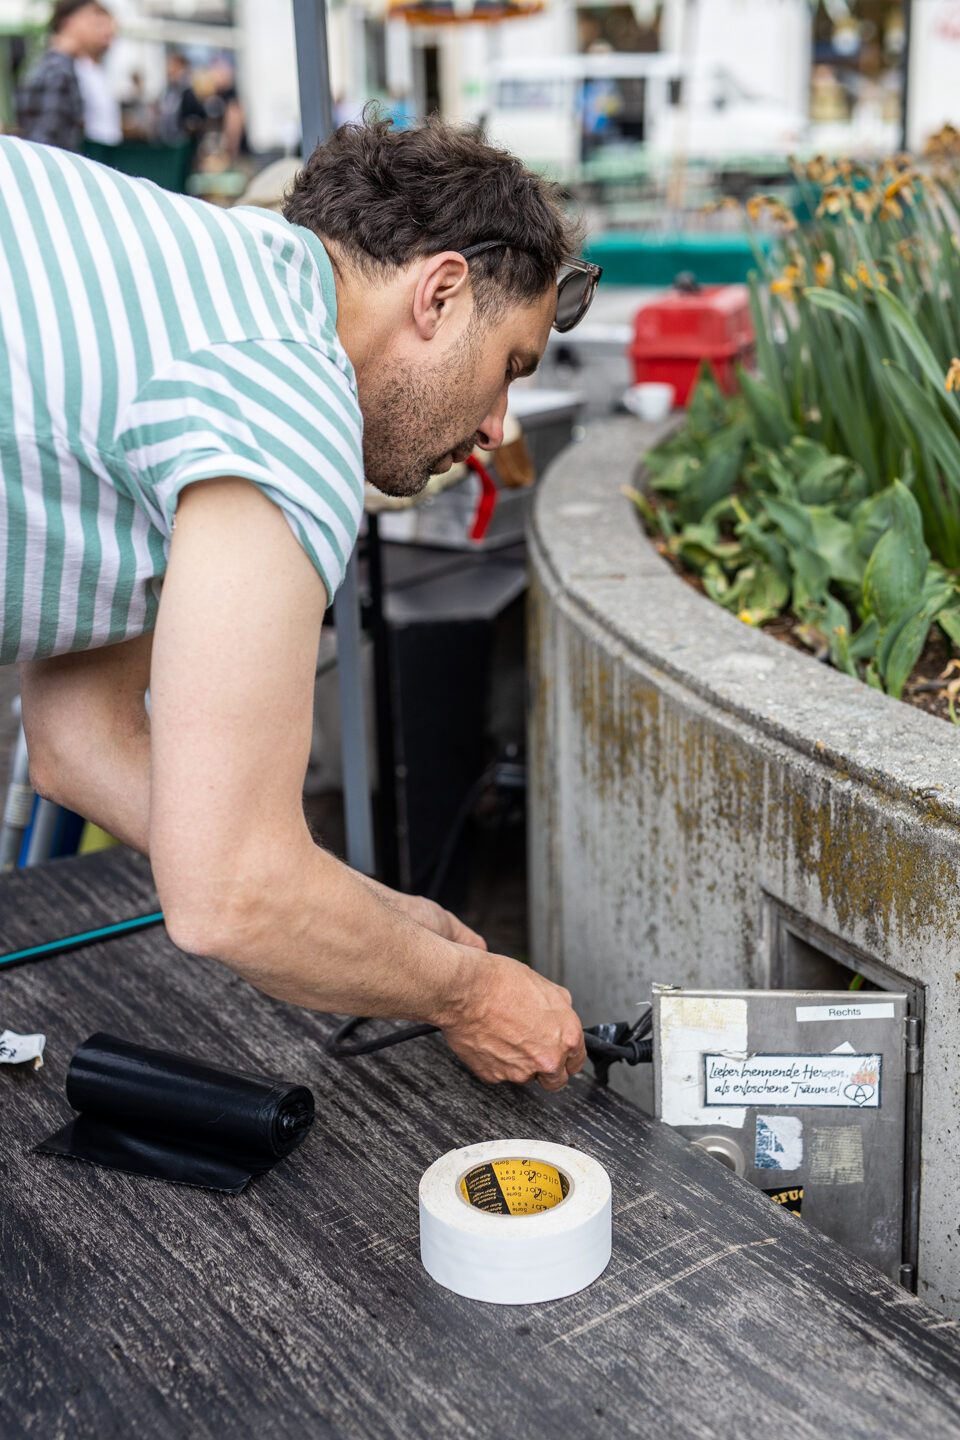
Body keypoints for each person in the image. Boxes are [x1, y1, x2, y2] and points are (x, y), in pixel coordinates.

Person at [0, 115, 600, 1091]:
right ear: (441, 292)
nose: (498, 426)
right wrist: (475, 995)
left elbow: (79, 739)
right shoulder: (290, 394)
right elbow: (232, 894)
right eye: (509, 369)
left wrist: (367, 912)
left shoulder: (206, 292)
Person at [16, 0, 114, 152]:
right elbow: (45, 139)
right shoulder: (58, 70)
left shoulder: (63, 66)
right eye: (92, 21)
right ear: (69, 22)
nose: (100, 29)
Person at [155, 52, 207, 146]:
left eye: (173, 66)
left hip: (181, 141)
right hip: (167, 140)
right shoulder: (169, 91)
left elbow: (198, 116)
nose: (169, 70)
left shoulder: (188, 92)